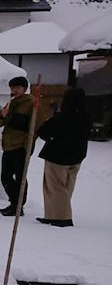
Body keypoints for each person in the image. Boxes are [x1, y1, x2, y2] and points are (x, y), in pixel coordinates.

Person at [35, 88, 91, 227]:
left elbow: (44, 131)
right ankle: (54, 215)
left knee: (55, 187)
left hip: (58, 156)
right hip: (77, 156)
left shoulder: (62, 117)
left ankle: (61, 217)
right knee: (67, 187)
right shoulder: (86, 117)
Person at [0, 76, 37, 216]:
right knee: (5, 177)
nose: (15, 90)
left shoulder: (31, 103)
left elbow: (35, 126)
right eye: (12, 88)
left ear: (24, 88)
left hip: (21, 146)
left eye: (18, 87)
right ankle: (14, 202)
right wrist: (2, 115)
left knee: (20, 178)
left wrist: (28, 145)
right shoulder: (11, 102)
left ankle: (18, 206)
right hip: (8, 145)